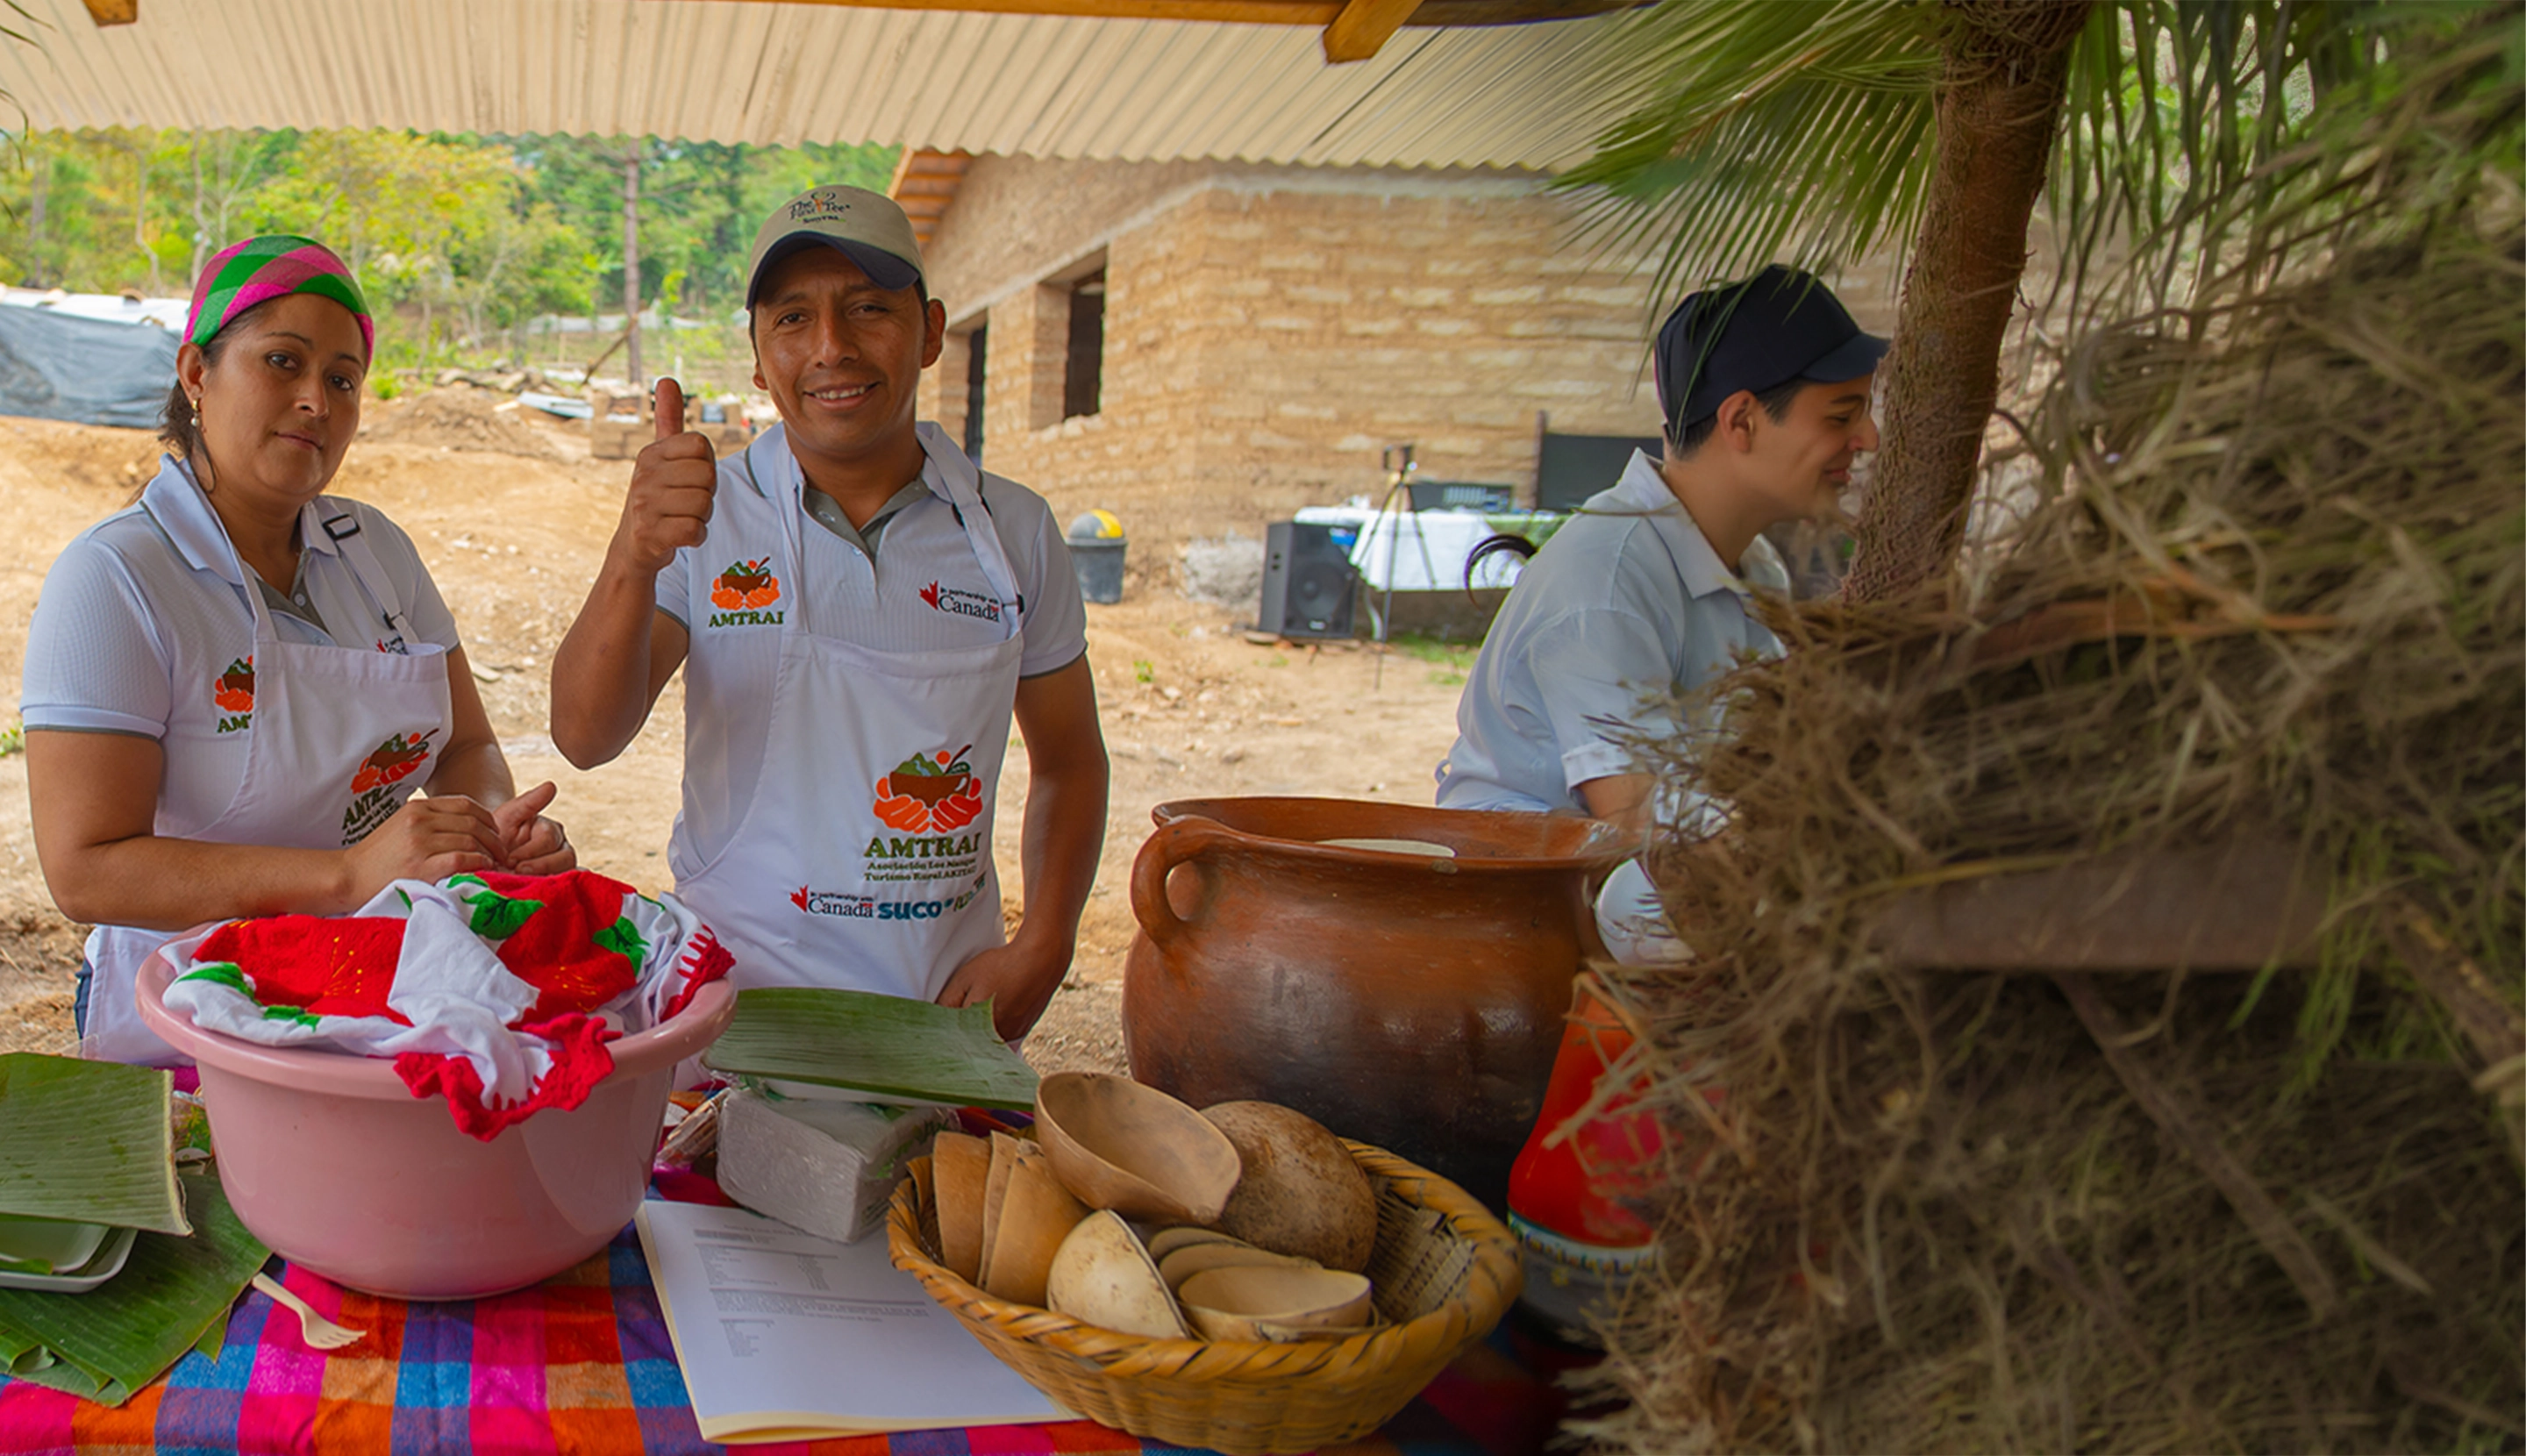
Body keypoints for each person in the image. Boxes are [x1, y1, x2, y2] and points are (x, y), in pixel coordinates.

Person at [550, 186, 1108, 1041]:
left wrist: (1045, 943)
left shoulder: (1016, 530)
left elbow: (1069, 760)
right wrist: (634, 552)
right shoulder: (707, 518)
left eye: (869, 308)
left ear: (930, 331)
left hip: (944, 1017)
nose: (832, 348)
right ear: (757, 354)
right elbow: (585, 736)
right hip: (739, 1009)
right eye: (793, 319)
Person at [22, 234, 573, 1065]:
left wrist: (491, 834)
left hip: (378, 984)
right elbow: (86, 871)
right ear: (197, 373)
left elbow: (465, 745)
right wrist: (347, 876)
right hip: (188, 1006)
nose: (316, 400)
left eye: (343, 379)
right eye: (283, 361)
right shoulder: (119, 577)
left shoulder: (377, 552)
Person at [1434, 265, 1885, 961]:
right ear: (1741, 420)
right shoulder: (1608, 577)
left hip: (1630, 885)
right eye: (1840, 416)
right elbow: (1640, 815)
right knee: (1650, 904)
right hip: (1517, 922)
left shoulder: (1752, 566)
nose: (1869, 438)